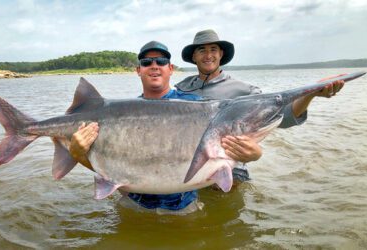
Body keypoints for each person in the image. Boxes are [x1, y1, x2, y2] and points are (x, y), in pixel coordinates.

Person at [69, 41, 262, 215]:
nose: (154, 66)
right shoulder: (121, 114)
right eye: (146, 63)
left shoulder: (200, 106)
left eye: (161, 61)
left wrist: (252, 154)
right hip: (132, 206)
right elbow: (112, 170)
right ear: (138, 70)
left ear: (170, 69)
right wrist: (78, 155)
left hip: (183, 208)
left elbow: (227, 143)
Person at [175, 29, 345, 183]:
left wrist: (311, 94)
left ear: (220, 54)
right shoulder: (181, 88)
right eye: (201, 50)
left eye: (213, 49)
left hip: (232, 170)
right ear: (194, 57)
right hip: (189, 165)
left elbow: (282, 117)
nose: (208, 55)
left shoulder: (245, 90)